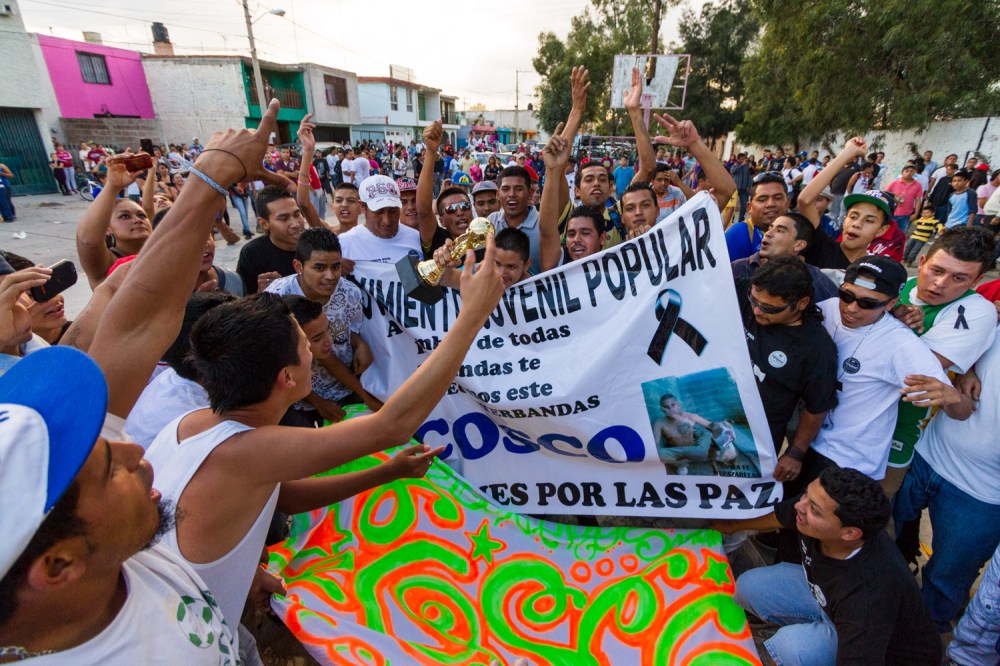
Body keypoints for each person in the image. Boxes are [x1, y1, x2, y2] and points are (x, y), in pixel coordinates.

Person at [143, 234, 504, 629]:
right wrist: (472, 316)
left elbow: (282, 497)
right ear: (287, 377)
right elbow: (394, 426)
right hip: (185, 636)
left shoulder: (195, 423)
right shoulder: (246, 450)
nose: (318, 350)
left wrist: (389, 471)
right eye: (306, 344)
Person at [714, 467, 942, 666]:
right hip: (829, 602)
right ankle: (812, 633)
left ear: (849, 533)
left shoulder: (868, 597)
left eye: (814, 509)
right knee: (750, 586)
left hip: (882, 651)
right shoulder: (814, 509)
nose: (800, 506)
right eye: (806, 494)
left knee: (789, 647)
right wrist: (731, 526)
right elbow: (781, 517)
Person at [810, 256, 970, 483]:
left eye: (868, 303)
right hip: (807, 441)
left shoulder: (902, 345)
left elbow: (961, 412)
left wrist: (954, 398)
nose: (851, 308)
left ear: (890, 304)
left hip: (850, 461)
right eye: (847, 295)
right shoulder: (826, 309)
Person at [894, 331, 1000, 637]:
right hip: (924, 455)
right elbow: (964, 348)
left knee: (945, 580)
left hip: (982, 495)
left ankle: (917, 641)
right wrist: (967, 368)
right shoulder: (990, 325)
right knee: (882, 538)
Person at [735, 257, 838, 480]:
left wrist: (795, 453)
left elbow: (817, 406)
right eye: (753, 300)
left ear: (801, 303)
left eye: (769, 308)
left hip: (755, 441)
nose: (756, 311)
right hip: (709, 414)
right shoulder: (745, 291)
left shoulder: (817, 350)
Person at [265, 228, 381, 421]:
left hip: (346, 391)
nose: (330, 276)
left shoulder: (350, 293)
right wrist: (318, 402)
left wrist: (360, 344)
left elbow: (348, 329)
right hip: (296, 402)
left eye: (336, 267)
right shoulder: (277, 299)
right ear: (298, 266)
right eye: (319, 268)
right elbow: (273, 363)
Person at [74, 153, 153, 288]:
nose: (137, 220)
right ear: (107, 228)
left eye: (141, 216)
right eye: (124, 216)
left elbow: (149, 207)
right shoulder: (106, 263)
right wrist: (112, 186)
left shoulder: (159, 253)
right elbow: (87, 241)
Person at [731, 212, 839, 302]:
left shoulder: (815, 279)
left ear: (799, 245)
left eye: (780, 230)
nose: (768, 234)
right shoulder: (738, 268)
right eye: (770, 228)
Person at [338, 174, 421, 264]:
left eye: (392, 211)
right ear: (362, 207)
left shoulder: (416, 238)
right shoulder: (344, 244)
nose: (387, 221)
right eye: (378, 212)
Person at [236, 185, 304, 294]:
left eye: (297, 214)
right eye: (284, 218)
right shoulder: (252, 253)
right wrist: (261, 294)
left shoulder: (316, 244)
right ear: (264, 224)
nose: (295, 224)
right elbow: (243, 299)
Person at [653, 393, 737, 475]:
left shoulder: (690, 416)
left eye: (673, 405)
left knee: (707, 443)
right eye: (666, 407)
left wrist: (723, 428)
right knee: (659, 454)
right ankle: (682, 464)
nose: (670, 409)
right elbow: (656, 444)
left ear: (678, 405)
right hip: (677, 451)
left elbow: (710, 425)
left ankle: (689, 458)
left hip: (694, 448)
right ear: (662, 409)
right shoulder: (659, 423)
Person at [725, 172, 789, 262]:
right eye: (762, 199)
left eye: (777, 198)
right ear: (749, 207)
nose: (770, 204)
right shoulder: (737, 234)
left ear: (787, 203)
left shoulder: (797, 231)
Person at [884, 164, 924, 233]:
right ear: (902, 172)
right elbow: (885, 195)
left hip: (906, 215)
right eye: (906, 171)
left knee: (900, 234)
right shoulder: (894, 183)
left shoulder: (918, 185)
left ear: (914, 173)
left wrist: (916, 213)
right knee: (887, 232)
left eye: (911, 171)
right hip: (892, 213)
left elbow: (918, 200)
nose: (909, 173)